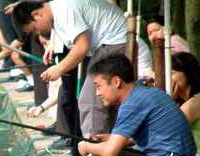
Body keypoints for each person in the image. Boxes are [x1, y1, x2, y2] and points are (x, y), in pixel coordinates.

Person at [11, 0, 128, 138]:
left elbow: (82, 47)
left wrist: (59, 69)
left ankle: (93, 150)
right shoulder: (58, 11)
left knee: (90, 100)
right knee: (102, 99)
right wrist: (52, 45)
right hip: (109, 43)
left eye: (35, 28)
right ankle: (105, 145)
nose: (39, 32)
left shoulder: (65, 11)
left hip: (114, 42)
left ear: (36, 14)